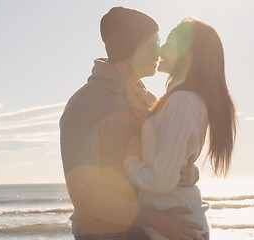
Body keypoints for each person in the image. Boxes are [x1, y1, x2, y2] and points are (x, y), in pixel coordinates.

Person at [59, 7, 204, 240]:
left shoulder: (148, 99)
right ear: (134, 48)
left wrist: (189, 172)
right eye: (153, 43)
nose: (159, 51)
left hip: (149, 230)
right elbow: (84, 193)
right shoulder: (85, 105)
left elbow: (164, 158)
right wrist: (155, 218)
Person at [123, 18, 238, 240]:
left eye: (169, 42)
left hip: (178, 230)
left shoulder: (182, 101)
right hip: (181, 227)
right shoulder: (183, 99)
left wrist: (131, 162)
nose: (161, 48)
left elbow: (160, 181)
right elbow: (173, 163)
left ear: (189, 52)